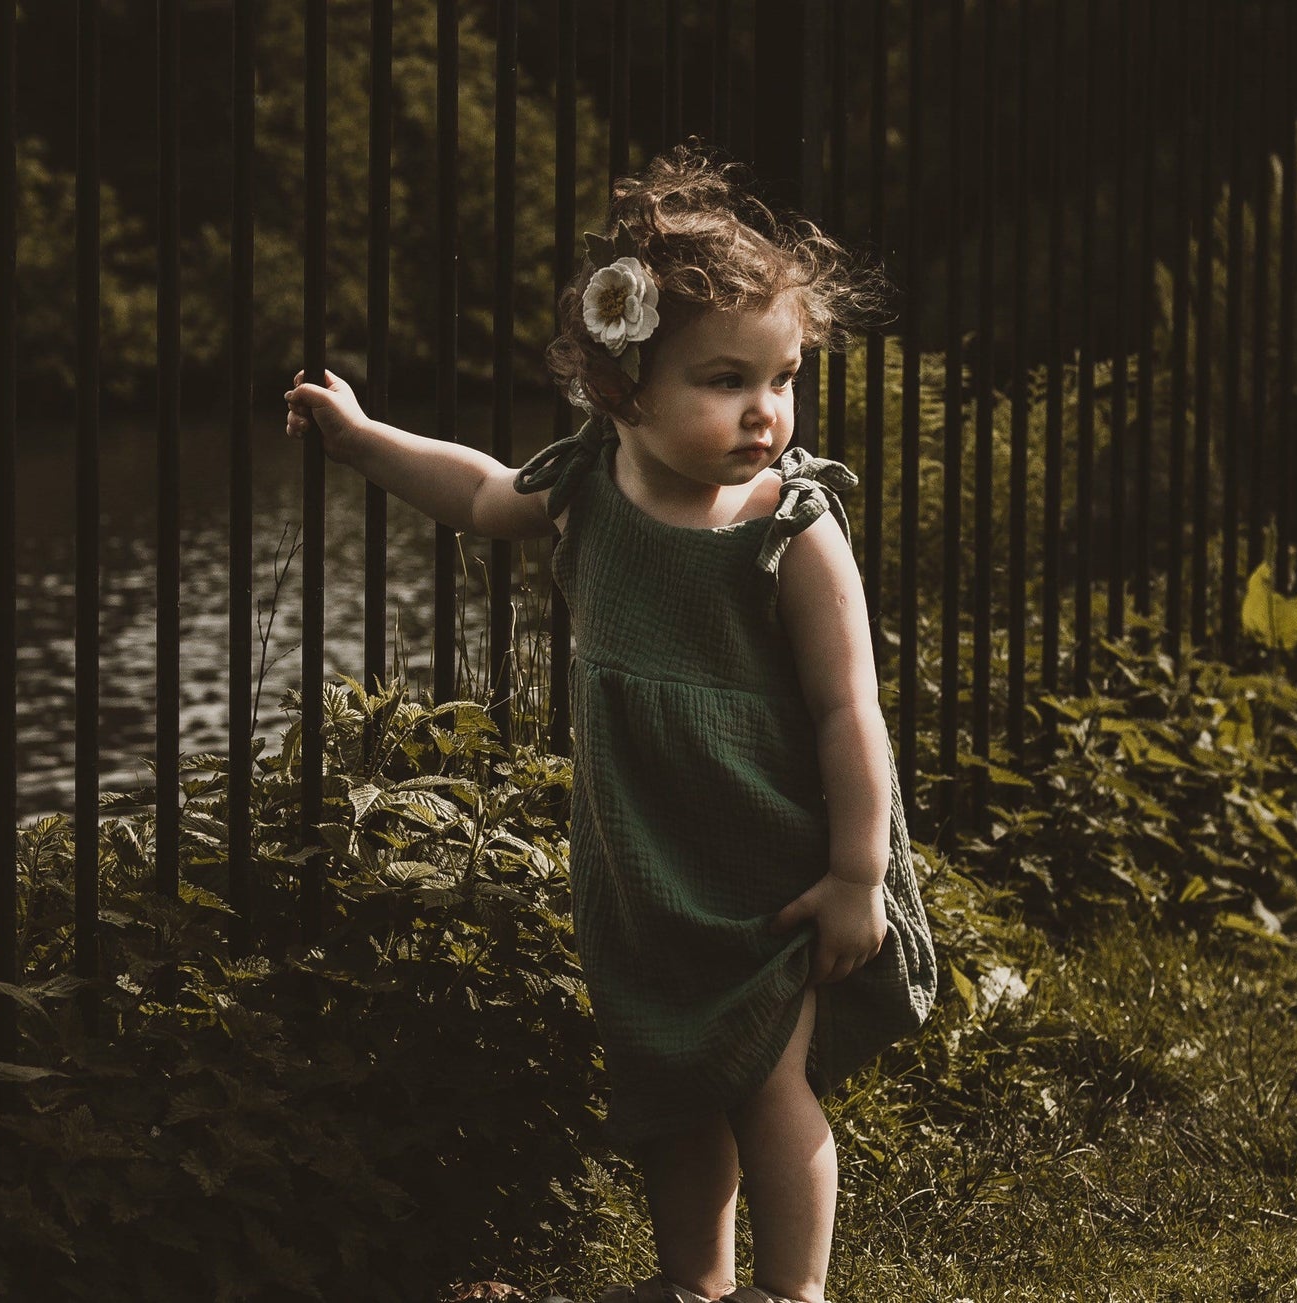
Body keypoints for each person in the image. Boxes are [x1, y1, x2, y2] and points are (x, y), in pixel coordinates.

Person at [281, 143, 938, 1303]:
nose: (762, 411)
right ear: (620, 388)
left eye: (779, 378)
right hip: (642, 863)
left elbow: (850, 711)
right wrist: (364, 440)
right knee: (670, 1088)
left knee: (767, 1086)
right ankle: (695, 1282)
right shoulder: (592, 480)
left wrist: (853, 874)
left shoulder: (792, 532)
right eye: (724, 381)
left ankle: (794, 1295)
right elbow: (482, 492)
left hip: (769, 864)